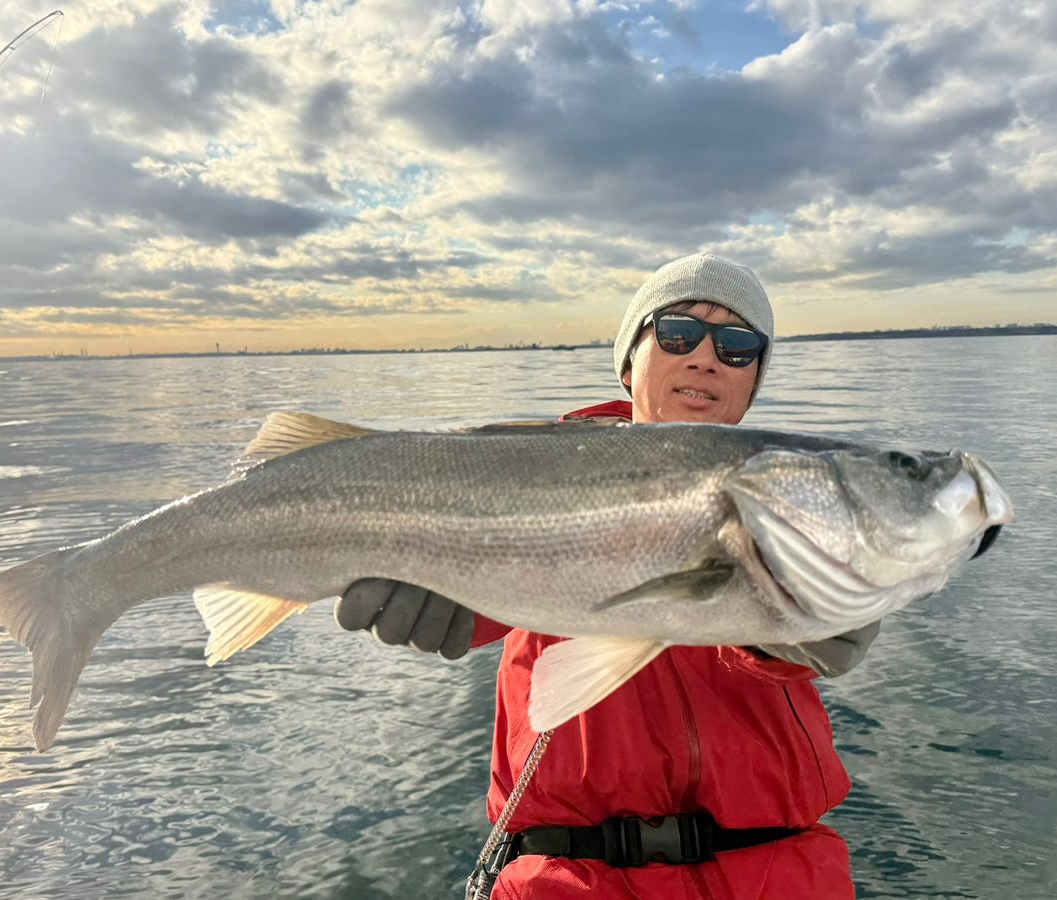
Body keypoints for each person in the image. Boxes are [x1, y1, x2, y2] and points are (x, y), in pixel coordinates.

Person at [336, 252, 878, 899]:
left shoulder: (797, 500)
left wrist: (824, 616)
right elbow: (466, 603)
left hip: (780, 873)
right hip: (570, 880)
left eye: (737, 346)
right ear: (629, 359)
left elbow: (796, 648)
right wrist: (419, 600)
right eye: (678, 333)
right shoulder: (524, 478)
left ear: (753, 380)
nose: (706, 357)